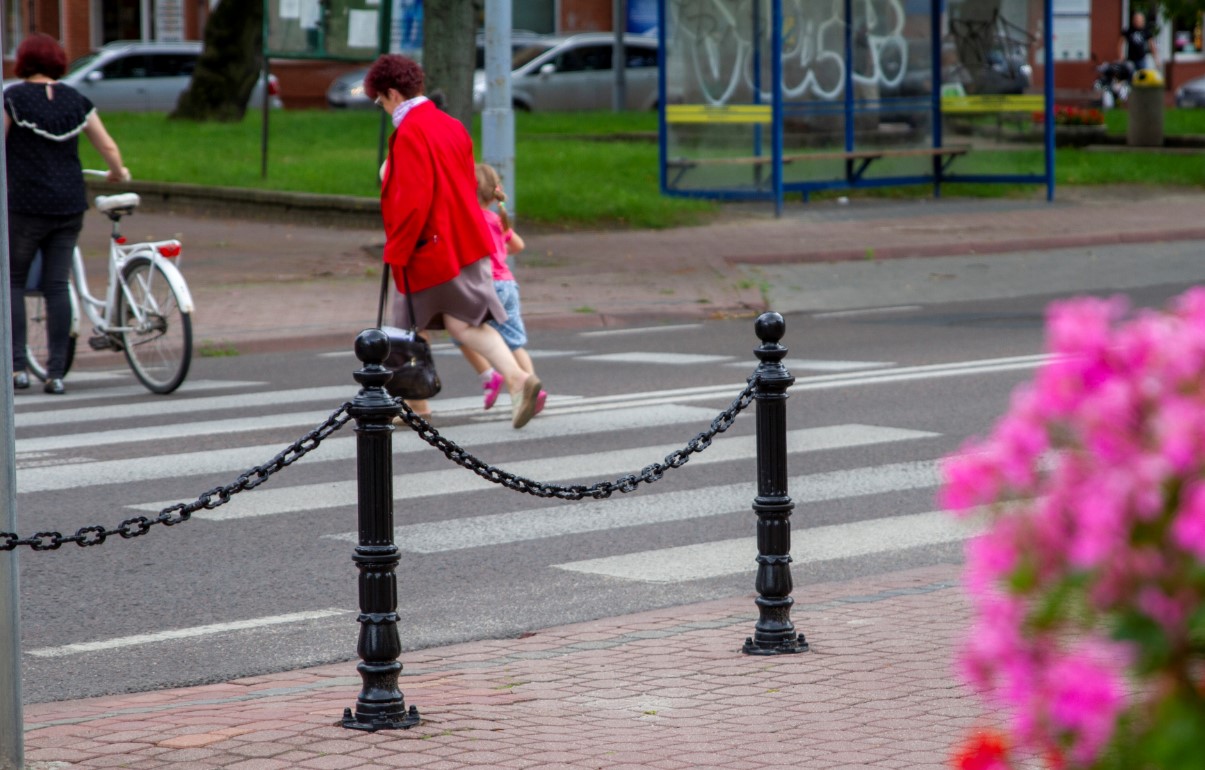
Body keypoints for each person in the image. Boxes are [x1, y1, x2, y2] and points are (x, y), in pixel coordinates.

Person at [364, 54, 542, 429]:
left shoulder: (409, 133)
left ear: (392, 93)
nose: (382, 108)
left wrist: (398, 247)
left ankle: (416, 408)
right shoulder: (452, 125)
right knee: (465, 322)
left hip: (428, 248)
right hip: (466, 241)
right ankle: (518, 378)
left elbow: (413, 199)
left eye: (380, 101)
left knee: (408, 327)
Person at [4, 33, 128, 396]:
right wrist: (117, 172)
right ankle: (56, 373)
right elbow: (105, 144)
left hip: (25, 204)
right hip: (69, 203)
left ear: (24, 62)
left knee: (13, 281)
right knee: (57, 284)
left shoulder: (12, 98)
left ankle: (17, 369)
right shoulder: (77, 100)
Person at [461, 163, 546, 416]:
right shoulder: (498, 219)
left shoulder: (470, 220)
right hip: (509, 284)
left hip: (486, 286)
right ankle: (533, 386)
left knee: (463, 332)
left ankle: (489, 377)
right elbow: (518, 245)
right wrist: (501, 249)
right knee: (514, 342)